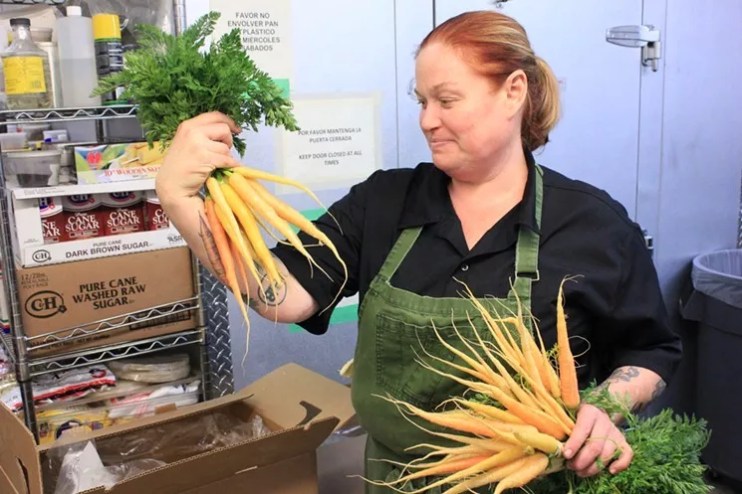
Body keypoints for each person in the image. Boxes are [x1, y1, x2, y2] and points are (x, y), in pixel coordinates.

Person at [156, 10, 682, 492]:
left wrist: (604, 406)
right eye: (422, 101)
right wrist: (181, 202)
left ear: (514, 91)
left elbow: (650, 350)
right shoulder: (384, 202)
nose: (427, 120)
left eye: (446, 100)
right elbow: (284, 295)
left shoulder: (593, 223)